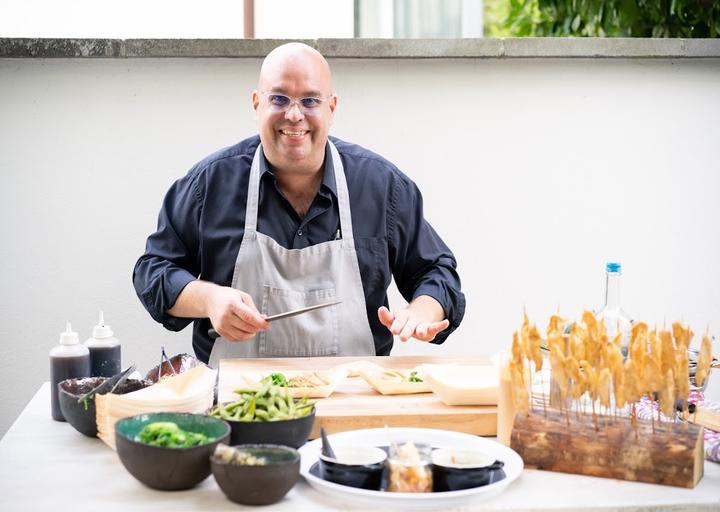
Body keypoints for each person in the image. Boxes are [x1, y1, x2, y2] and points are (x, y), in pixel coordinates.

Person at [133, 42, 465, 367]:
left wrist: (423, 311)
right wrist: (210, 299)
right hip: (235, 406)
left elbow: (437, 271)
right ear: (256, 104)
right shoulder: (209, 184)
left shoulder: (381, 187)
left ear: (331, 108)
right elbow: (153, 271)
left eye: (310, 100)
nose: (294, 115)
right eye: (279, 98)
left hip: (353, 400)